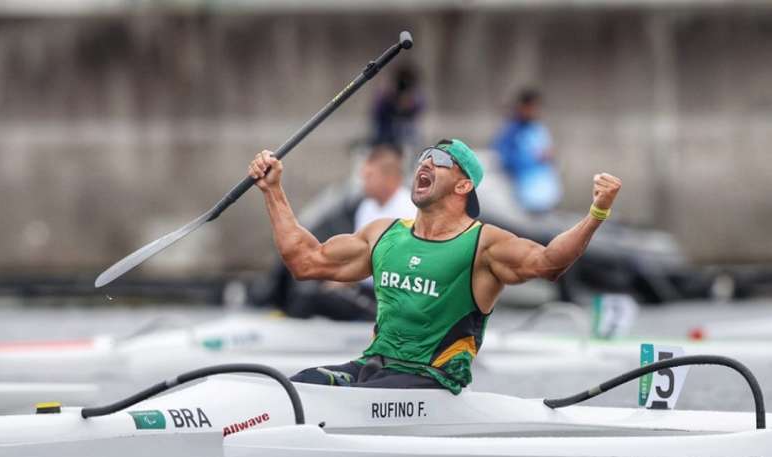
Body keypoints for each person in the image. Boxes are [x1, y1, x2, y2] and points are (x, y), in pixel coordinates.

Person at [248, 138, 621, 393]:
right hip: (372, 368)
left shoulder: (483, 244)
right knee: (297, 385)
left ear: (463, 187)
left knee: (346, 396)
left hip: (431, 381)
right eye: (424, 156)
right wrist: (273, 191)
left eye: (441, 161)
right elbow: (306, 261)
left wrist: (596, 212)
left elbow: (548, 263)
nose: (426, 162)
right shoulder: (384, 234)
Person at [493, 88, 562, 214]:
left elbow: (548, 155)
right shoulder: (511, 132)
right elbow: (505, 160)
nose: (535, 111)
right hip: (527, 193)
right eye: (532, 107)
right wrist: (534, 158)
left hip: (546, 193)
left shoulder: (538, 128)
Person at [370, 65, 425, 150]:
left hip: (407, 136)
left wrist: (409, 103)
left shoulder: (415, 95)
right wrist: (389, 98)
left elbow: (419, 106)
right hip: (385, 136)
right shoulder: (386, 94)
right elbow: (377, 110)